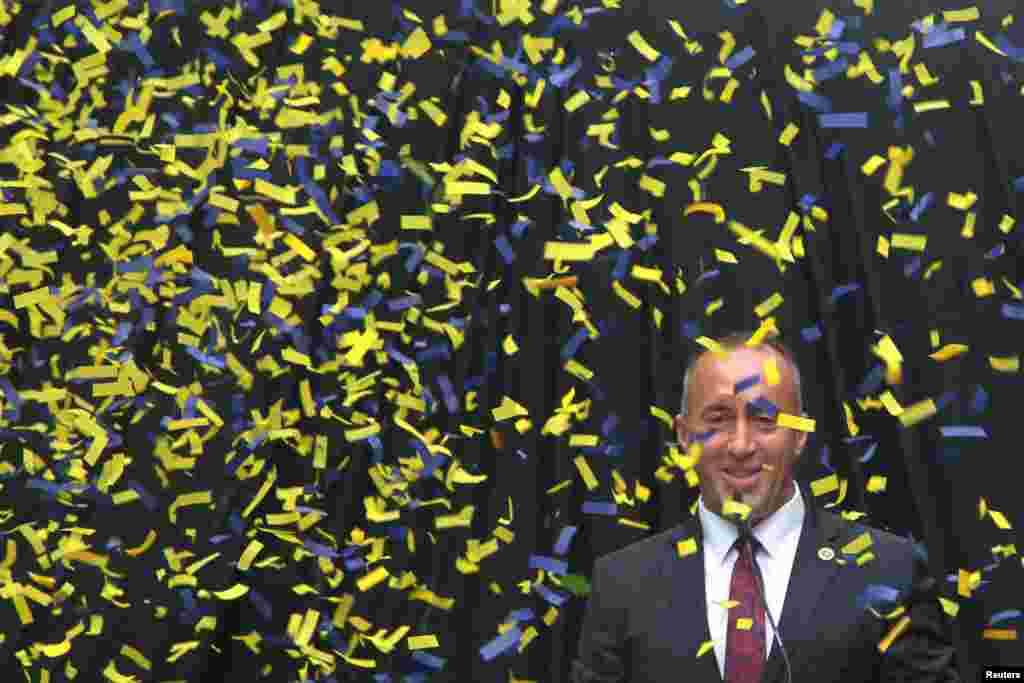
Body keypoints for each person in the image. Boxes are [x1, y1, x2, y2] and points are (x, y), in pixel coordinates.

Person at [571, 331, 960, 683]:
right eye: (718, 419)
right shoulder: (622, 583)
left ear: (799, 435)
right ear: (685, 436)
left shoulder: (890, 569)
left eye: (765, 419)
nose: (741, 446)